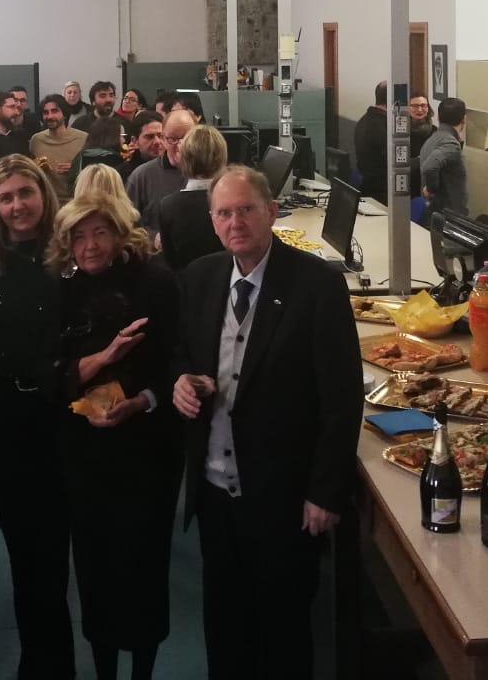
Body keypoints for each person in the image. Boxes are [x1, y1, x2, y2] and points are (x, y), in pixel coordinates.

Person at [173, 167, 362, 678]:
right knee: (225, 624)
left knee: (283, 631)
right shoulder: (200, 278)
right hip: (216, 491)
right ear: (212, 220)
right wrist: (181, 381)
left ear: (272, 212)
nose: (235, 223)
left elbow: (342, 398)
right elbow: (182, 353)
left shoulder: (317, 285)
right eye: (224, 213)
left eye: (246, 210)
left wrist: (325, 492)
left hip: (283, 496)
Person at [50, 194, 181, 680]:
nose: (89, 246)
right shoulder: (60, 288)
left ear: (120, 234)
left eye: (99, 233)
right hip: (84, 454)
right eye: (78, 237)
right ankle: (104, 668)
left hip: (148, 449)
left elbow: (178, 359)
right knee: (94, 566)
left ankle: (142, 669)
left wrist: (143, 400)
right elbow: (50, 370)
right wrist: (100, 361)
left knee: (145, 565)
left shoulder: (155, 282)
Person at [0, 157, 75, 679]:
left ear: (43, 194)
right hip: (4, 425)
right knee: (25, 554)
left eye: (24, 193)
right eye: (5, 197)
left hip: (63, 418)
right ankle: (40, 664)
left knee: (56, 551)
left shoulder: (70, 254)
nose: (16, 206)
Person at [153, 124, 228, 270]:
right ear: (222, 157)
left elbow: (170, 262)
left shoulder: (168, 206)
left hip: (184, 280)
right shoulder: (232, 201)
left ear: (183, 158)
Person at [128, 109, 193, 226]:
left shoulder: (211, 173)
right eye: (173, 139)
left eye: (187, 138)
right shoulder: (141, 177)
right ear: (164, 138)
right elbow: (129, 225)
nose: (181, 145)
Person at [30, 93, 88, 200]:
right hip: (45, 201)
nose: (49, 116)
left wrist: (76, 169)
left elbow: (94, 171)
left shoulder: (82, 138)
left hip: (76, 201)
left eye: (54, 111)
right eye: (45, 112)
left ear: (64, 114)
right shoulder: (36, 140)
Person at [420, 97, 468, 217]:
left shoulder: (433, 138)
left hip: (437, 212)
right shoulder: (450, 143)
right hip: (448, 214)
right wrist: (431, 189)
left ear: (438, 117)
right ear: (464, 119)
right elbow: (429, 167)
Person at [352, 82, 389, 203]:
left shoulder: (365, 119)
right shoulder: (382, 126)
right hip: (381, 193)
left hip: (369, 187)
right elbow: (393, 161)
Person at [122, 110, 165, 180]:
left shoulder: (179, 170)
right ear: (135, 141)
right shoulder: (122, 176)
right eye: (149, 137)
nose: (157, 141)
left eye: (161, 136)